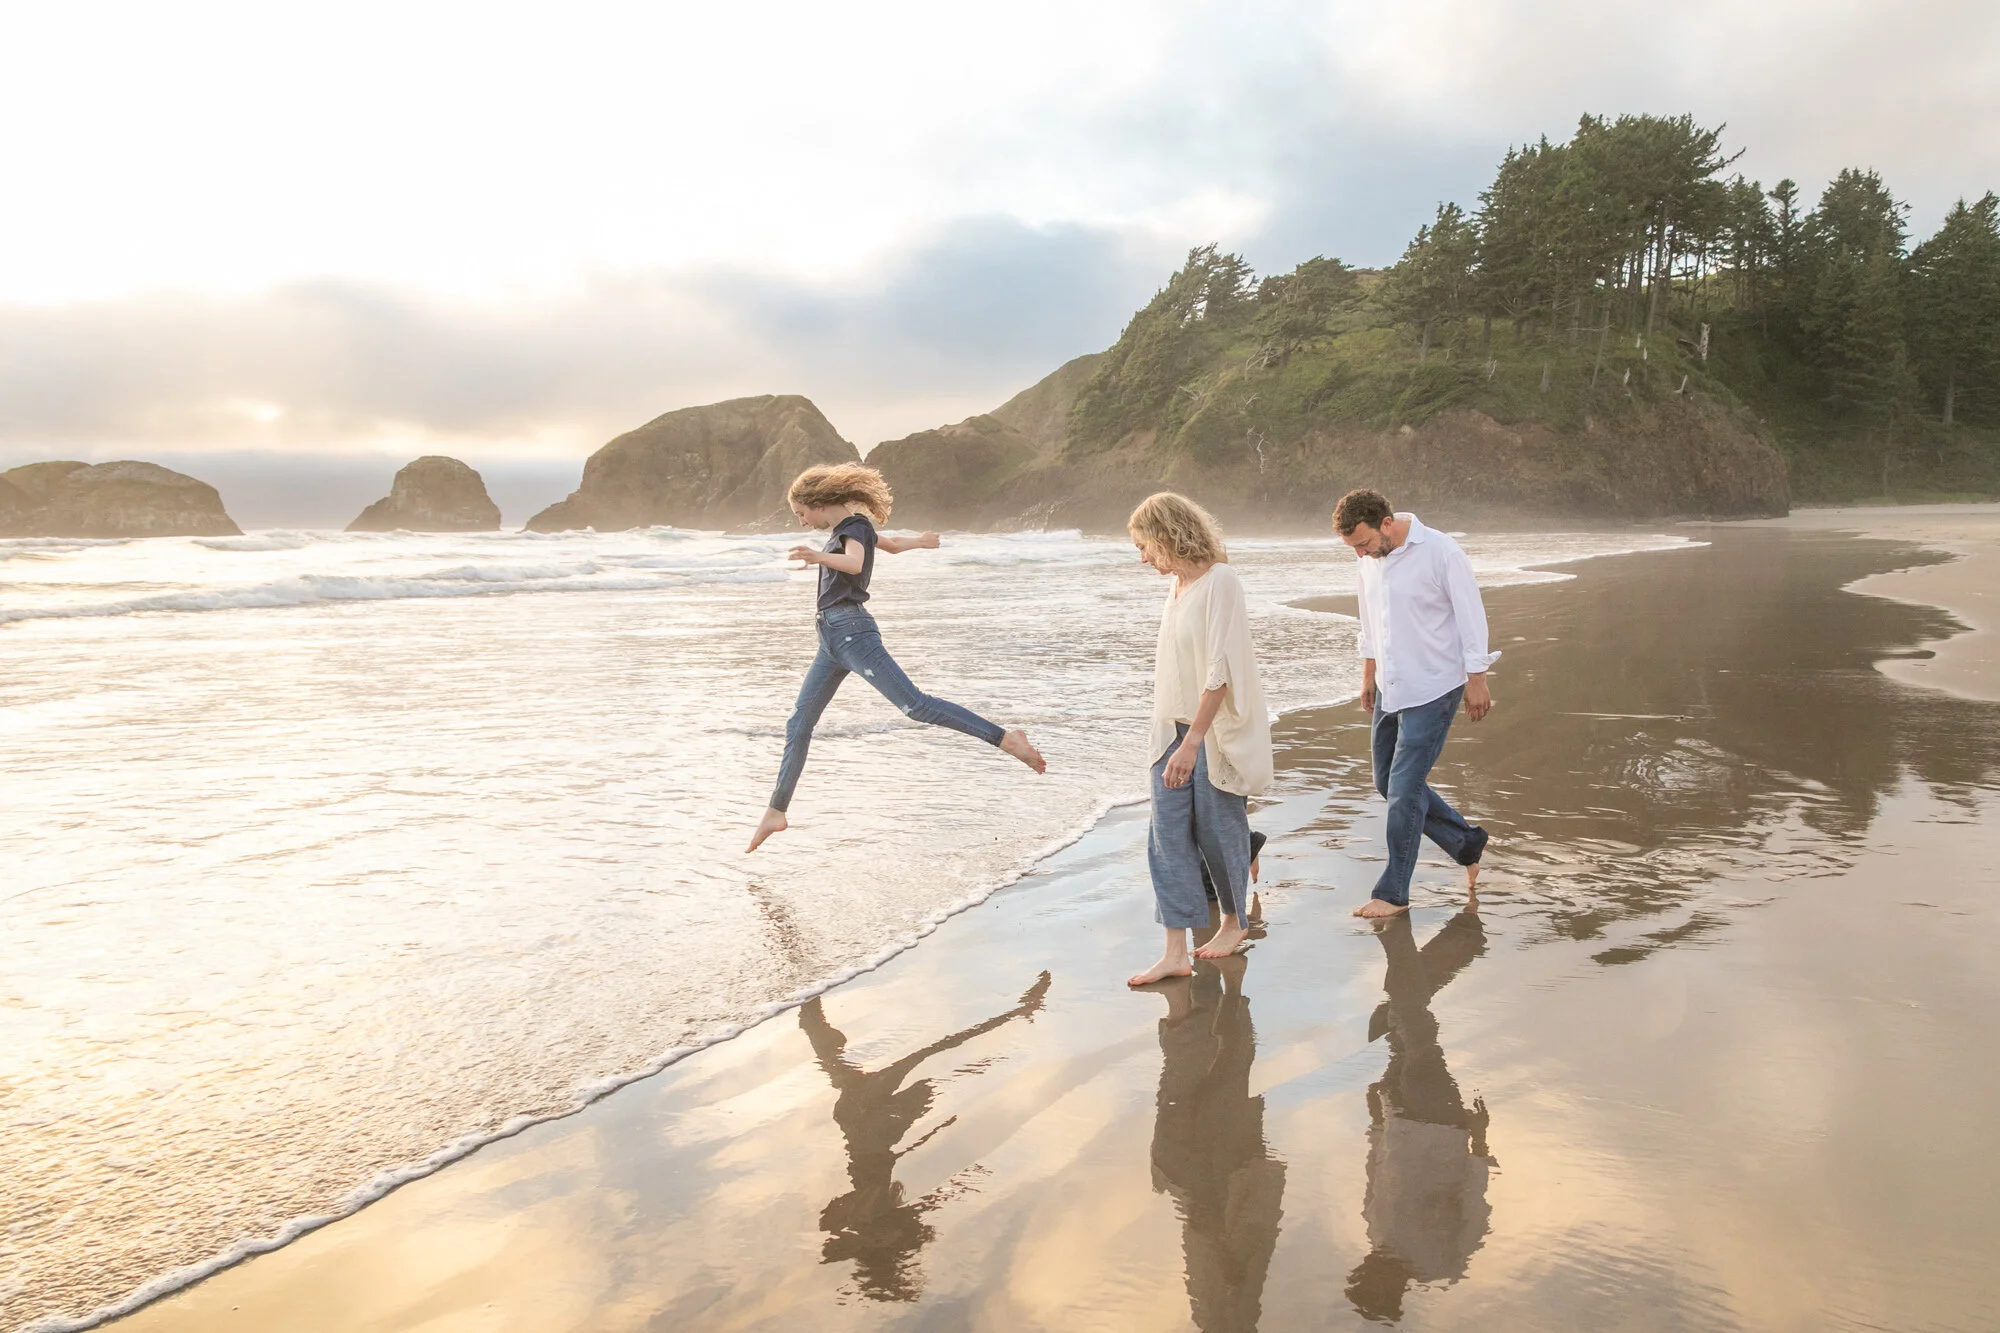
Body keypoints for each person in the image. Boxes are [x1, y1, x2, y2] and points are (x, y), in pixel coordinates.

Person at [747, 463, 1045, 853]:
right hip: (830, 639)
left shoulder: (853, 528)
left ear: (816, 503)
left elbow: (854, 563)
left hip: (851, 631)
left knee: (915, 705)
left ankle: (1005, 738)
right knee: (799, 724)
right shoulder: (851, 530)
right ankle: (776, 810)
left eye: (801, 513)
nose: (802, 522)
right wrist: (921, 541)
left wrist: (818, 558)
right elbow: (890, 545)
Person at [1126, 493, 1273, 986]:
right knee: (1165, 838)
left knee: (1218, 827)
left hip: (1208, 734)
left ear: (1167, 534)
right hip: (1168, 729)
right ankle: (1174, 951)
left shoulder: (1220, 582)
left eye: (1144, 545)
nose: (1141, 556)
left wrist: (1194, 742)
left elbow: (1221, 670)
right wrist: (1175, 740)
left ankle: (1233, 922)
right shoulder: (1177, 588)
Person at [1334, 488, 1495, 918]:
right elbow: (1369, 621)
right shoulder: (1368, 560)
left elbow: (1471, 616)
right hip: (1390, 684)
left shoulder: (1441, 552)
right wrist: (1368, 678)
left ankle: (1393, 894)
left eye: (1364, 543)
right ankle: (1466, 843)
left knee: (1404, 792)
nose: (1361, 554)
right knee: (1387, 783)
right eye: (1354, 548)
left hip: (1435, 686)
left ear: (1386, 524)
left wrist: (1477, 679)